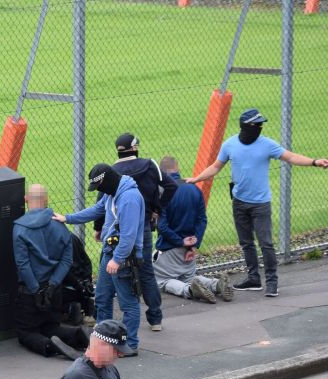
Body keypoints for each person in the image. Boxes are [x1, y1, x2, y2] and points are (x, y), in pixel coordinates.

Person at [187, 108, 328, 297]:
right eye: (257, 124)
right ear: (246, 126)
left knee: (266, 244)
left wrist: (314, 161)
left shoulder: (267, 144)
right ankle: (254, 279)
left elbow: (291, 157)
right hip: (239, 202)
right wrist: (197, 179)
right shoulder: (230, 145)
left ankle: (272, 283)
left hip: (261, 204)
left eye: (261, 124)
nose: (260, 127)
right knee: (246, 243)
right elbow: (215, 167)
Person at [53, 164, 145, 356]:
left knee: (128, 303)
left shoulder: (129, 199)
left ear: (107, 181)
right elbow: (97, 209)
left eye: (100, 186)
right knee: (102, 299)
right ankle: (103, 342)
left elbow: (128, 235)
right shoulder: (112, 193)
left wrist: (117, 260)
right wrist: (67, 218)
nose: (100, 191)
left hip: (123, 258)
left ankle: (130, 345)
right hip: (111, 253)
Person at [104, 133, 177, 331]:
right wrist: (156, 209)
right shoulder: (150, 164)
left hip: (119, 229)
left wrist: (97, 228)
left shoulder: (113, 171)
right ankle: (155, 319)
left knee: (118, 271)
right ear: (135, 147)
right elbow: (170, 186)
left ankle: (126, 316)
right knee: (146, 272)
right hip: (143, 225)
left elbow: (102, 202)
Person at [12, 184, 89, 360]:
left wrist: (36, 290)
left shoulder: (19, 228)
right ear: (46, 200)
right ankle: (77, 335)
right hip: (55, 292)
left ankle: (49, 345)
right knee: (51, 326)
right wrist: (53, 285)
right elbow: (66, 260)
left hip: (30, 294)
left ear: (26, 199)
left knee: (26, 332)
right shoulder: (60, 226)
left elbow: (23, 264)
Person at [154, 156, 233, 304]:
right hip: (189, 253)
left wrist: (181, 242)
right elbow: (202, 220)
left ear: (162, 173)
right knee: (188, 276)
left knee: (161, 281)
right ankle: (216, 284)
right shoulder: (194, 189)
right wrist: (193, 245)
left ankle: (189, 290)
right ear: (177, 169)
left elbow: (162, 226)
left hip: (169, 250)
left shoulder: (162, 192)